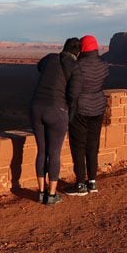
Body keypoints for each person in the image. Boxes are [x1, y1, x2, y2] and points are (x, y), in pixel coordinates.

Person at [29, 37, 81, 206]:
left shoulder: (50, 58)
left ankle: (41, 192)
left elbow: (39, 67)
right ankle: (51, 195)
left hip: (36, 108)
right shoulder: (75, 67)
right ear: (78, 52)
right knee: (54, 153)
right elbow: (73, 95)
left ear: (64, 47)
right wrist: (69, 116)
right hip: (57, 110)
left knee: (41, 151)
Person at [65, 34, 110, 197]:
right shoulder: (104, 65)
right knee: (93, 145)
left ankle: (80, 184)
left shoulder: (77, 65)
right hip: (98, 108)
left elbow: (72, 89)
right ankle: (92, 181)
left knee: (78, 146)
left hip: (81, 109)